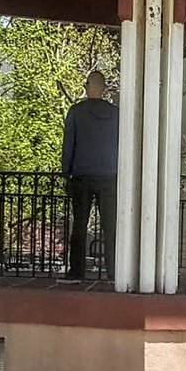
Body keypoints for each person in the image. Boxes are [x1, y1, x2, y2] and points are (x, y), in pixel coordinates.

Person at [61, 69, 118, 281]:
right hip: (110, 176)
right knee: (110, 226)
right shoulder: (116, 114)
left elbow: (69, 145)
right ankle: (114, 270)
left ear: (87, 87)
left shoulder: (76, 112)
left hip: (82, 174)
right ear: (104, 89)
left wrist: (66, 173)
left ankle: (76, 270)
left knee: (79, 225)